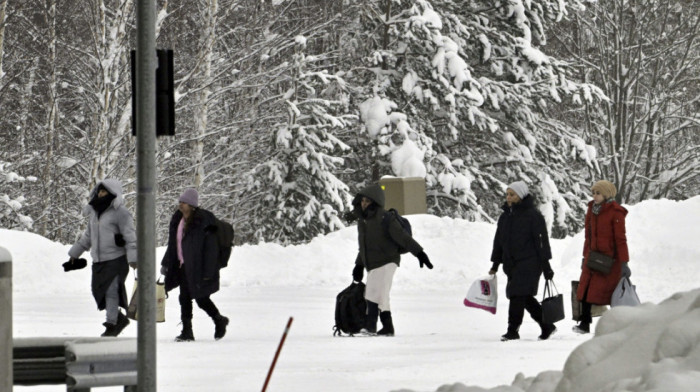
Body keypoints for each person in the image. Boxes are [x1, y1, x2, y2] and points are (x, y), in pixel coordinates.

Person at [350, 184, 432, 336]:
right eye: (362, 201)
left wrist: (420, 253)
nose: (364, 204)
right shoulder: (363, 221)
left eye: (367, 201)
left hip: (387, 260)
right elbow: (364, 246)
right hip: (373, 262)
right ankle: (388, 327)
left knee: (373, 292)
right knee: (381, 294)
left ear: (375, 201)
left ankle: (370, 326)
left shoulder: (385, 218)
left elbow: (403, 237)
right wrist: (359, 265)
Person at [67, 178, 137, 337]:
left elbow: (131, 237)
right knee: (97, 291)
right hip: (99, 260)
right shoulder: (94, 212)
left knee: (111, 291)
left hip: (116, 259)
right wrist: (74, 253)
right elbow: (88, 236)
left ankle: (111, 325)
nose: (100, 194)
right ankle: (119, 318)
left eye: (104, 191)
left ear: (113, 193)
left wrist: (133, 258)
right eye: (99, 191)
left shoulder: (121, 213)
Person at [489, 181, 556, 341]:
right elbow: (499, 241)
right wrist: (495, 264)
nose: (509, 197)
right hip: (511, 263)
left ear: (521, 195)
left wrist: (546, 265)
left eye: (512, 194)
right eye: (507, 194)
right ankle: (547, 325)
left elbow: (541, 242)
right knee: (523, 296)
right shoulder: (505, 216)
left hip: (530, 262)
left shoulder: (533, 215)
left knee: (516, 295)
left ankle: (512, 330)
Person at [160, 188, 229, 342]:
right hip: (183, 266)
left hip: (199, 267)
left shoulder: (203, 220)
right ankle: (187, 331)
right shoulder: (178, 220)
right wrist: (166, 263)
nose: (181, 205)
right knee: (184, 297)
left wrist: (208, 272)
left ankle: (219, 319)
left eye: (184, 202)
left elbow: (210, 249)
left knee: (201, 298)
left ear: (192, 205)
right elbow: (174, 244)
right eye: (180, 202)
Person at [573, 180, 630, 334]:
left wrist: (624, 262)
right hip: (592, 258)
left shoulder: (616, 212)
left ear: (607, 193)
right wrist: (585, 256)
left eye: (598, 193)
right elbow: (588, 236)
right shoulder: (592, 209)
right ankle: (584, 324)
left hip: (610, 260)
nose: (595, 196)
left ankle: (621, 324)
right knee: (585, 290)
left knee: (611, 294)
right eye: (593, 193)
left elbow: (620, 238)